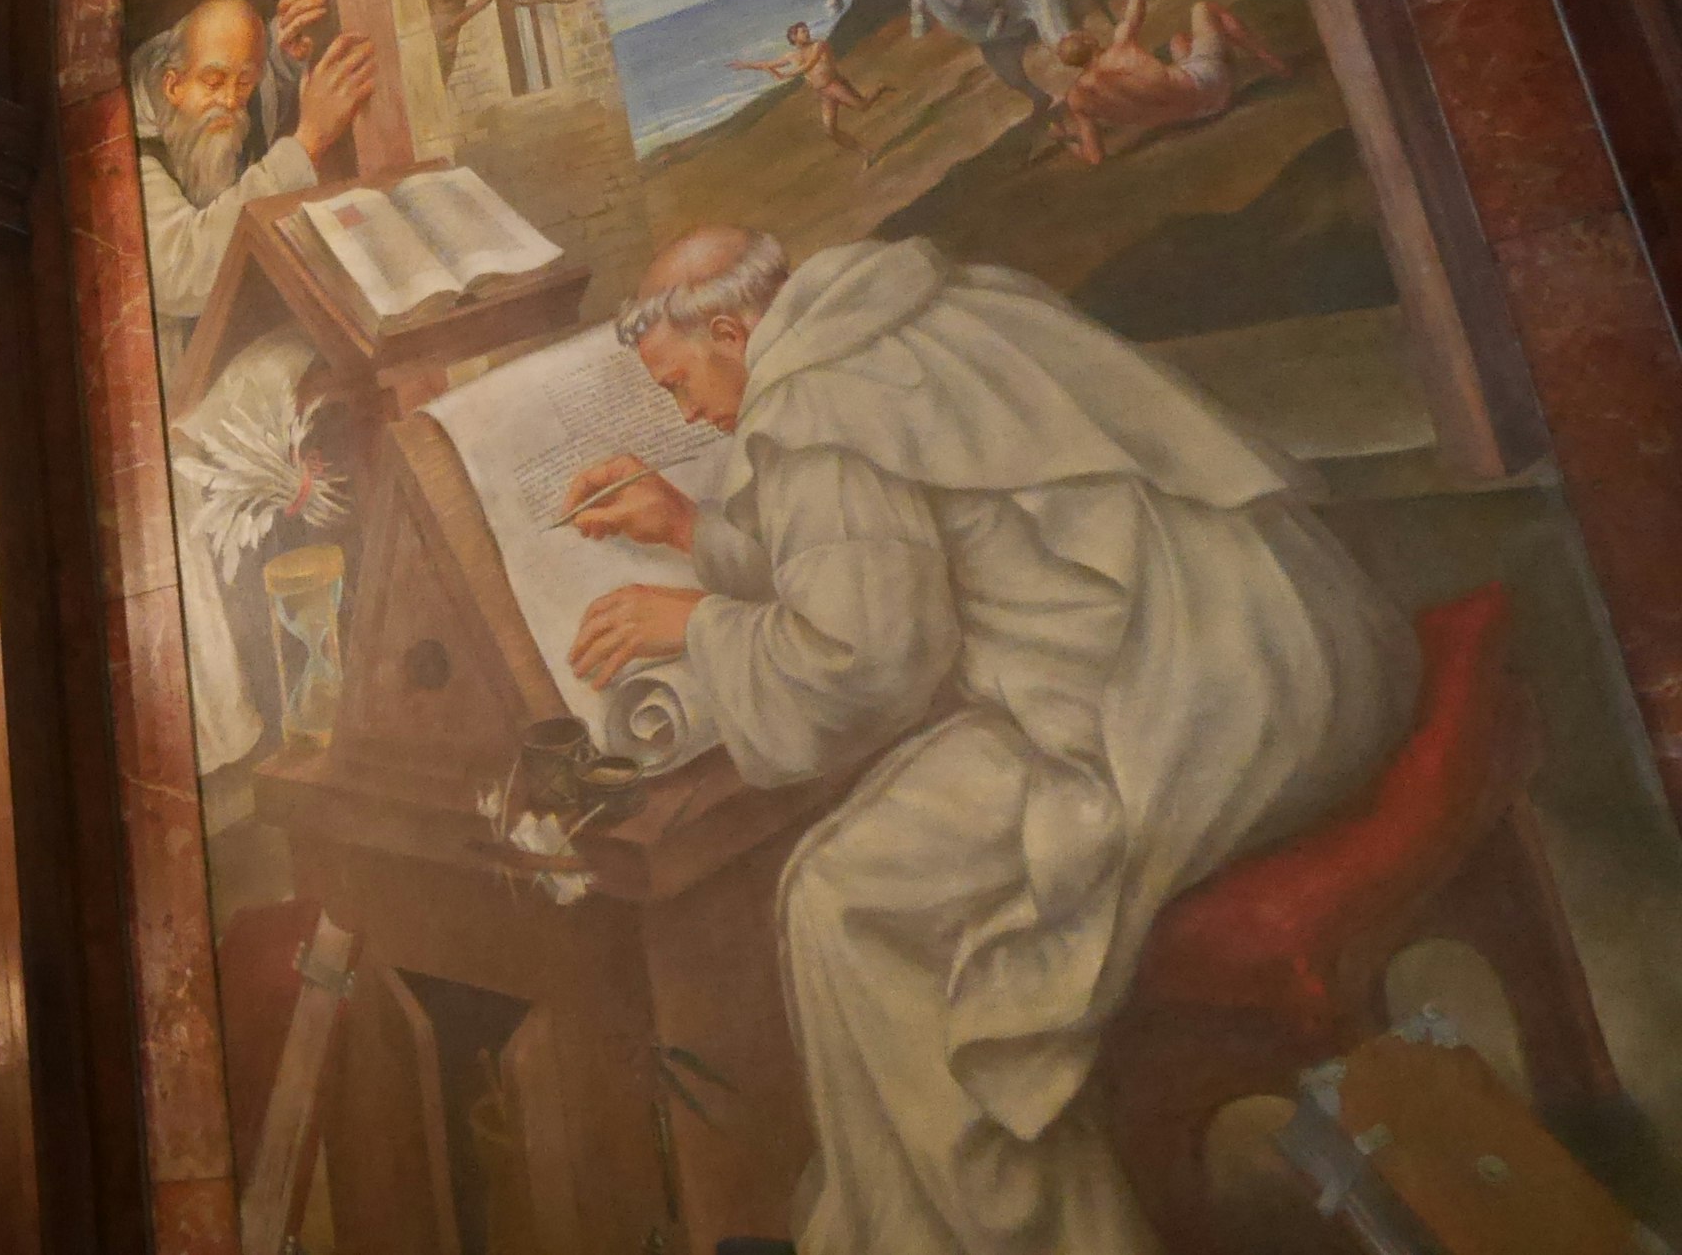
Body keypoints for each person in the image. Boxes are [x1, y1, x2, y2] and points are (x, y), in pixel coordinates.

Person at [554, 226, 1414, 1255]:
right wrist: (694, 532)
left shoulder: (815, 405)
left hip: (1164, 720)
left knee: (841, 897)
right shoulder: (911, 302)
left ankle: (1009, 1235)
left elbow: (864, 664)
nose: (684, 411)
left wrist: (691, 623)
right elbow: (873, 547)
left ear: (735, 329)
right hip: (1290, 658)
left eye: (679, 379)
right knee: (877, 856)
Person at [124, 0, 377, 381]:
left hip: (235, 341)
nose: (230, 100)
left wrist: (284, 51)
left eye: (244, 82)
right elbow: (184, 267)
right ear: (172, 85)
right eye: (214, 81)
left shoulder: (221, 102)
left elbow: (253, 91)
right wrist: (306, 145)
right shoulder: (129, 157)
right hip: (177, 379)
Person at [1048, 0, 1289, 164]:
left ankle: (1224, 62)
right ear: (1090, 42)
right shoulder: (1121, 44)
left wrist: (1065, 139)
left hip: (1187, 118)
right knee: (1203, 9)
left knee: (1178, 42)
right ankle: (1272, 61)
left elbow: (1095, 158)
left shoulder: (1077, 99)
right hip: (1212, 88)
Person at [728, 20, 895, 165]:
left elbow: (808, 65)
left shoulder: (819, 45)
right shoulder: (792, 56)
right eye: (802, 31)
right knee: (830, 130)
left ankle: (880, 87)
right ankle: (866, 153)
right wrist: (746, 65)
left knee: (863, 107)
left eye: (807, 30)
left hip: (836, 85)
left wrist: (785, 75)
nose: (807, 33)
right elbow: (769, 63)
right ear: (794, 37)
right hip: (824, 93)